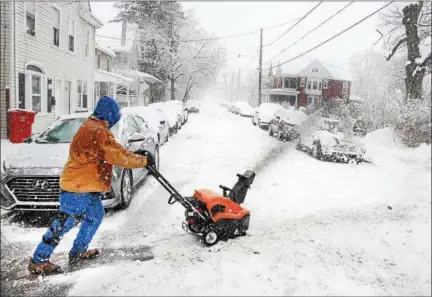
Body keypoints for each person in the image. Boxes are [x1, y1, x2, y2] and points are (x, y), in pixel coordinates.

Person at [28, 96, 154, 275]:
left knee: (95, 215)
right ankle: (38, 259)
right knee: (64, 223)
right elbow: (117, 156)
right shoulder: (97, 131)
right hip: (78, 187)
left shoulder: (93, 127)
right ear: (109, 115)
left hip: (87, 185)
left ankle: (78, 251)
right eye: (115, 117)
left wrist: (135, 154)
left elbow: (112, 150)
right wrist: (144, 160)